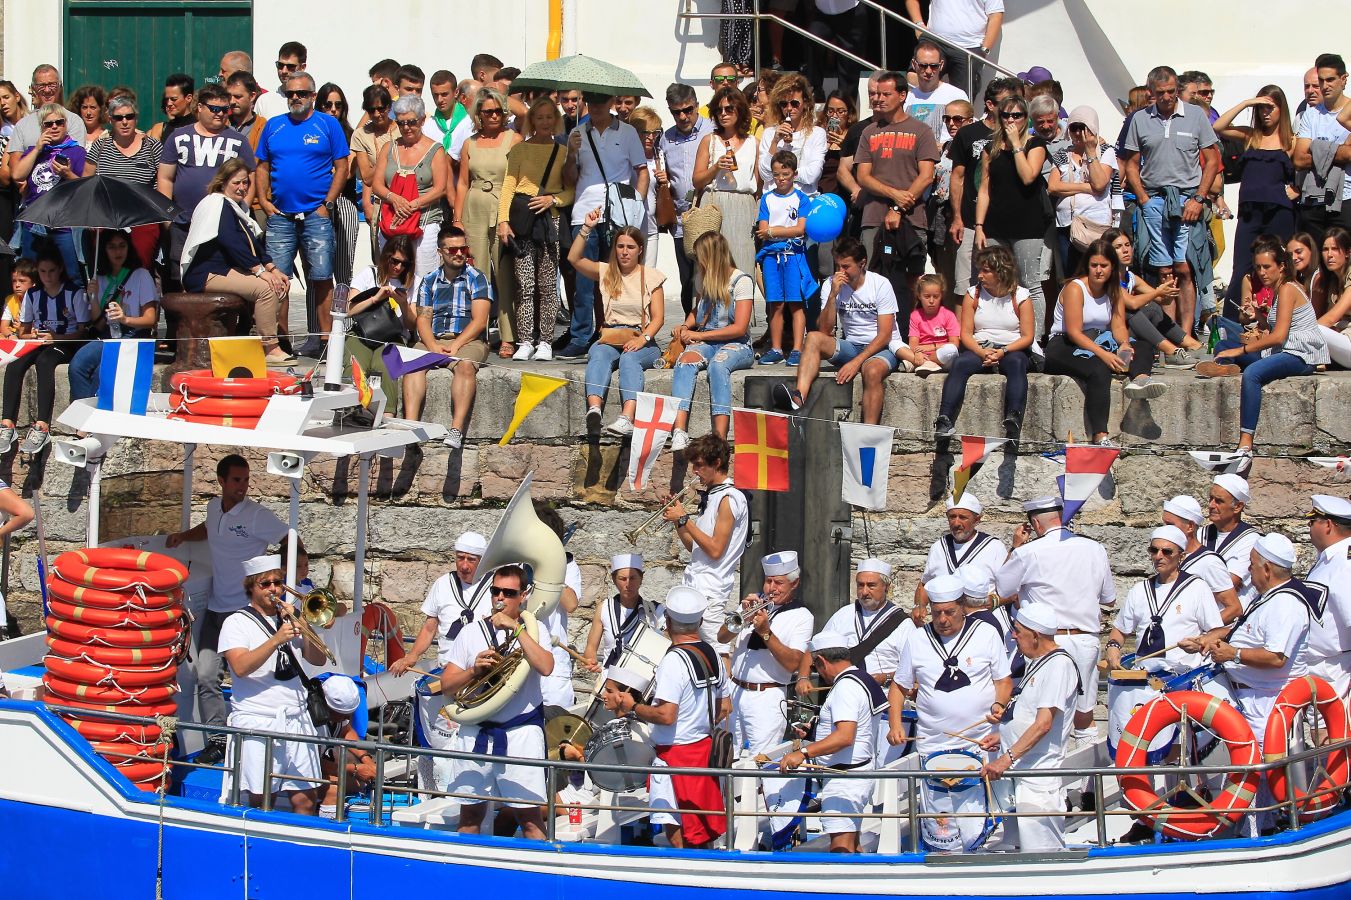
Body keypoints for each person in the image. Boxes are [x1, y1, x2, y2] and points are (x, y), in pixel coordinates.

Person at [1180, 533, 1319, 834]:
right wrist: (1210, 638)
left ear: (1267, 569)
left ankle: (1257, 829)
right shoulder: (1269, 598)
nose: (1249, 571)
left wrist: (1235, 653)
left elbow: (1276, 657)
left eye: (1252, 565)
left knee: (1255, 766)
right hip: (1248, 695)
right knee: (1251, 764)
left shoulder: (1286, 604)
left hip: (1265, 700)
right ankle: (1258, 825)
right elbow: (1246, 627)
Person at [166, 456, 297, 765]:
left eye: (245, 480)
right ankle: (219, 739)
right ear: (222, 481)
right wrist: (184, 536)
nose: (243, 486)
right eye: (237, 480)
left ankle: (258, 740)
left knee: (249, 674)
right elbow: (211, 528)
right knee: (207, 675)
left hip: (245, 611)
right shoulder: (214, 508)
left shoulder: (256, 515)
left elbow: (290, 539)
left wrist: (280, 581)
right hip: (215, 608)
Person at [995, 495, 1113, 807]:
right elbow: (1108, 597)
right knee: (1084, 718)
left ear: (1034, 524)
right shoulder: (1095, 548)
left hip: (1046, 642)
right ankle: (1091, 791)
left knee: (1043, 716)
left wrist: (1016, 547)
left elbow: (1003, 589)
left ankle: (1052, 792)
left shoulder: (1030, 551)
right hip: (1085, 638)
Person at [891, 574, 1011, 852]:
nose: (943, 619)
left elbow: (1003, 681)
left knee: (978, 819)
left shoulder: (985, 633)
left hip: (980, 742)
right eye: (937, 613)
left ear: (963, 607)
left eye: (949, 612)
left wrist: (999, 705)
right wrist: (895, 723)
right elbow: (899, 685)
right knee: (940, 824)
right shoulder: (918, 639)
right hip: (933, 744)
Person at [440, 564, 554, 839]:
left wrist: (516, 629)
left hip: (520, 735)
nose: (500, 598)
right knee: (469, 816)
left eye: (509, 592)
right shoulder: (471, 632)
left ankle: (539, 876)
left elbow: (546, 666)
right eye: (495, 591)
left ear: (523, 595)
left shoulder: (535, 631)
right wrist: (474, 671)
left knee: (530, 819)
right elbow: (446, 685)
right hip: (476, 732)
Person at [1197, 235, 1328, 461]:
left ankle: (1246, 442)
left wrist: (1241, 351)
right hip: (1284, 351)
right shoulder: (1278, 289)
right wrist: (1258, 316)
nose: (1262, 272)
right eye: (1258, 267)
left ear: (1282, 266)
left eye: (1267, 267)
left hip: (1301, 355)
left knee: (1253, 373)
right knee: (1222, 345)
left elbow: (1278, 336)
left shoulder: (1288, 289)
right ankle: (1226, 366)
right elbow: (1274, 327)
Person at [217, 554, 328, 814]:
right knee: (262, 796)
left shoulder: (289, 618)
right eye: (264, 584)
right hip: (259, 719)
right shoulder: (236, 622)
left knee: (306, 797)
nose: (273, 589)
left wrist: (304, 626)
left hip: (296, 719)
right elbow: (241, 667)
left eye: (277, 583)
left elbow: (319, 659)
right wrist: (276, 640)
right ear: (251, 588)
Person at [620, 586, 729, 849]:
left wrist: (632, 706)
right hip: (704, 751)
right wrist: (698, 721)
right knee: (701, 830)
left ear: (667, 620)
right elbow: (725, 706)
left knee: (677, 831)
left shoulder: (673, 661)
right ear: (700, 621)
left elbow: (666, 715)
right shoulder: (713, 653)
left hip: (675, 757)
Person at [1120, 65, 1220, 342]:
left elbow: (1212, 160)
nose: (1167, 97)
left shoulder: (1196, 116)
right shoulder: (1140, 119)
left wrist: (1199, 198)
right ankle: (1170, 336)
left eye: (1172, 91)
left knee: (1186, 267)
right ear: (1151, 92)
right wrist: (1143, 198)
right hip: (1154, 198)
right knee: (1163, 270)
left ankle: (1186, 334)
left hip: (1188, 198)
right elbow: (1130, 162)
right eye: (1161, 92)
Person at [256, 71, 350, 359]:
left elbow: (342, 166)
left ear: (312, 96)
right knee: (278, 280)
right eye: (289, 94)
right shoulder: (273, 126)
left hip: (315, 214)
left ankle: (326, 340)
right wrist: (263, 200)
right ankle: (281, 341)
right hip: (281, 215)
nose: (294, 98)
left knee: (321, 277)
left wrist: (328, 203)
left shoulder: (328, 124)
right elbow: (261, 166)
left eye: (300, 93)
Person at [978, 603, 1079, 851]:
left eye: (1018, 631)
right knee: (1012, 845)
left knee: (1041, 849)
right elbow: (1027, 713)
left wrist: (1006, 758)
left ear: (1035, 635)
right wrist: (1003, 737)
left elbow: (1044, 723)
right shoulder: (1036, 661)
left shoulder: (1058, 665)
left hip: (1037, 774)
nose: (1013, 635)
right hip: (1019, 769)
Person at [558, 92, 649, 358]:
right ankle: (581, 336)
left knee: (617, 278)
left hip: (618, 214)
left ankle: (617, 331)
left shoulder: (629, 131)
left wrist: (637, 204)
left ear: (610, 103)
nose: (596, 107)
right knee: (584, 281)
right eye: (592, 102)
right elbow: (569, 178)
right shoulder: (577, 132)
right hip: (585, 211)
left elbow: (641, 171)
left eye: (601, 102)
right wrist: (571, 153)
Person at [780, 632, 885, 854]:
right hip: (857, 773)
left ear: (821, 661)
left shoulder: (845, 687)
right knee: (853, 845)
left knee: (841, 849)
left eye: (816, 667)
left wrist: (803, 753)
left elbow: (845, 736)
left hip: (844, 780)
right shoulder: (862, 678)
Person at [179, 159, 292, 364]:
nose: (242, 188)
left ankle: (253, 336)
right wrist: (260, 272)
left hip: (225, 269)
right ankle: (270, 347)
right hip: (206, 273)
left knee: (279, 282)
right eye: (236, 183)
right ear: (223, 183)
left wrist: (272, 268)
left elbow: (251, 243)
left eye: (245, 183)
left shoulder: (234, 207)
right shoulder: (217, 204)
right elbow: (230, 240)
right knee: (267, 289)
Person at [572, 208, 665, 436]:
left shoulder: (651, 276)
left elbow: (659, 318)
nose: (625, 252)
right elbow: (574, 259)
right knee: (599, 354)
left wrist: (642, 340)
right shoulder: (607, 271)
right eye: (620, 246)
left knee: (630, 359)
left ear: (640, 250)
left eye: (630, 247)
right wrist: (586, 229)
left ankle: (627, 417)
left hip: (641, 338)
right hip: (611, 334)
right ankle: (594, 408)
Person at [1043, 241, 1144, 444]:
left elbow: (1118, 326)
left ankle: (1141, 379)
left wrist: (1124, 344)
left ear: (1112, 267)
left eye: (1104, 266)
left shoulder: (1114, 290)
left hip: (1096, 340)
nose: (1098, 271)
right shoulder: (1075, 288)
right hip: (1064, 344)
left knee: (1142, 346)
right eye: (1094, 265)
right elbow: (1074, 332)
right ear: (1087, 266)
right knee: (1099, 368)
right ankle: (1100, 434)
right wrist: (1104, 354)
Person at [156, 83, 256, 290]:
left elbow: (250, 178)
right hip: (183, 222)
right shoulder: (179, 137)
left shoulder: (238, 141)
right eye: (214, 109)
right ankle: (182, 323)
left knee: (223, 278)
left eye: (224, 109)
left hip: (222, 225)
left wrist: (242, 210)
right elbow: (165, 178)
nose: (220, 114)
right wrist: (168, 216)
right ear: (199, 107)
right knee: (180, 279)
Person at [816, 559, 915, 765]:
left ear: (886, 587)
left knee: (883, 767)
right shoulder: (843, 616)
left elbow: (914, 672)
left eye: (871, 585)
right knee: (849, 761)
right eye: (860, 585)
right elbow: (818, 651)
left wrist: (885, 677)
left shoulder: (904, 625)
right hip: (848, 703)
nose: (864, 591)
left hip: (886, 702)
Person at [933, 245, 1036, 441]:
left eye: (985, 271)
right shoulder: (973, 294)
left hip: (1011, 348)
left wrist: (1002, 352)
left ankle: (1013, 416)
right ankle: (944, 418)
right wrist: (982, 353)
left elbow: (1027, 336)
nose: (980, 275)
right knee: (960, 363)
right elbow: (966, 333)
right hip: (980, 347)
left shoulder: (1021, 296)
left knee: (1017, 364)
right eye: (979, 270)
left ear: (1001, 271)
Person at [1213, 87, 1297, 321]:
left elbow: (1303, 170)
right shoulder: (1251, 136)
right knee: (1242, 267)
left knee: (1279, 266)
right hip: (1250, 214)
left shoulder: (1291, 140)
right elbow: (1218, 126)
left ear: (1282, 109)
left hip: (1279, 212)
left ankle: (1279, 319)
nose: (1265, 113)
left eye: (1270, 108)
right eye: (1261, 109)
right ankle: (1231, 322)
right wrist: (1248, 102)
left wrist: (1296, 191)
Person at [499, 96, 573, 360]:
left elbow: (570, 191)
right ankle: (525, 340)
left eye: (549, 117)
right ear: (532, 120)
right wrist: (503, 221)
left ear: (555, 121)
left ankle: (545, 341)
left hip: (550, 220)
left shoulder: (563, 152)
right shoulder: (519, 150)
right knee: (524, 282)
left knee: (548, 284)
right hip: (522, 220)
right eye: (539, 117)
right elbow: (508, 185)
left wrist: (552, 199)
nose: (544, 122)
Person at [719, 551, 814, 753]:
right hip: (734, 690)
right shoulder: (752, 604)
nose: (771, 588)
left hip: (767, 696)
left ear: (794, 583)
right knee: (725, 754)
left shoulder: (802, 616)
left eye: (778, 583)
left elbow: (792, 663)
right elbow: (721, 637)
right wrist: (743, 617)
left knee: (760, 760)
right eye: (768, 581)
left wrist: (765, 632)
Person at [668, 232, 756, 447]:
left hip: (737, 344)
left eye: (700, 257)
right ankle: (679, 430)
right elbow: (698, 310)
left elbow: (740, 327)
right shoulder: (702, 278)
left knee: (718, 366)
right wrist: (686, 325)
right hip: (708, 341)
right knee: (685, 360)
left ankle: (720, 437)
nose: (698, 262)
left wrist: (700, 335)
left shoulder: (741, 281)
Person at [663, 435, 749, 650]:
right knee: (684, 645)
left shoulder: (729, 498)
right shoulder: (712, 497)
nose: (694, 471)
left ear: (717, 463)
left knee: (716, 650)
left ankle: (723, 684)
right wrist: (677, 522)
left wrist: (685, 519)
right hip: (695, 583)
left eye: (699, 465)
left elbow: (715, 550)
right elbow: (695, 548)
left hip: (711, 589)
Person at [1104, 525, 1224, 677]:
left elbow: (1219, 631)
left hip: (1181, 677)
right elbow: (1120, 630)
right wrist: (1113, 646)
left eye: (1167, 552)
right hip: (1143, 676)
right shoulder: (1140, 589)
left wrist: (1202, 641)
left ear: (1181, 556)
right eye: (1154, 550)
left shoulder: (1197, 587)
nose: (1158, 556)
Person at [974, 95, 1050, 334]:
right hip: (997, 224)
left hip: (1027, 225)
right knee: (996, 280)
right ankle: (1000, 332)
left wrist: (1017, 143)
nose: (1010, 120)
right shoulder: (990, 148)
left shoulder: (1035, 145)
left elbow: (1028, 176)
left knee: (1029, 283)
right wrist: (978, 226)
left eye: (1017, 115)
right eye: (1006, 115)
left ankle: (1035, 339)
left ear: (1026, 118)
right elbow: (984, 189)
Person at [0, 252, 89, 454]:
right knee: (15, 363)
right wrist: (28, 335)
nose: (47, 276)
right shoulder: (33, 295)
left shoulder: (74, 293)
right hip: (39, 341)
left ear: (59, 270)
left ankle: (42, 425)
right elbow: (22, 331)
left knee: (45, 361)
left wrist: (57, 338)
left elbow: (82, 332)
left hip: (65, 343)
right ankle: (7, 424)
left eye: (51, 271)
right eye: (42, 272)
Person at [454, 87, 520, 356]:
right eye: (487, 111)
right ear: (478, 114)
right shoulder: (470, 143)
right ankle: (478, 331)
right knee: (476, 273)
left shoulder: (513, 139)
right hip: (475, 207)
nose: (493, 116)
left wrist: (508, 215)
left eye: (497, 110)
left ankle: (508, 334)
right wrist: (457, 219)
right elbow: (461, 182)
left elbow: (517, 178)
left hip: (503, 206)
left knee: (504, 273)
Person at [413, 227, 490, 446]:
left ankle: (456, 430)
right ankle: (410, 428)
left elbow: (479, 321)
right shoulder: (428, 281)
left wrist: (456, 345)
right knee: (413, 366)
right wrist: (432, 345)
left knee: (465, 366)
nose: (459, 253)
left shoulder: (477, 278)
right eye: (453, 249)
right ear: (440, 252)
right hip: (435, 337)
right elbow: (423, 319)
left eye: (463, 248)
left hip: (468, 339)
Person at [67, 231, 159, 401]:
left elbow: (150, 319)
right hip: (108, 335)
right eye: (112, 247)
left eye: (122, 246)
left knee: (101, 373)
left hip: (133, 336)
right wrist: (93, 297)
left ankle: (92, 421)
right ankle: (83, 418)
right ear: (104, 250)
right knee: (77, 366)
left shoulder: (141, 275)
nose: (118, 252)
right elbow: (99, 324)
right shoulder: (100, 278)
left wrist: (125, 319)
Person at [372, 95, 449, 286]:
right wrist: (395, 199)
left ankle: (422, 315)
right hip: (392, 222)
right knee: (390, 277)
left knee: (423, 278)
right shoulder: (389, 148)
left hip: (424, 221)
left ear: (422, 120)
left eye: (411, 122)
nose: (406, 127)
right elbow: (377, 185)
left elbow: (441, 189)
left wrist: (412, 205)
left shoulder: (435, 150)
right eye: (401, 123)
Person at [1104, 228, 1202, 369]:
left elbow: (1161, 301)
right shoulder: (1108, 278)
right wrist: (1157, 292)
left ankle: (1194, 345)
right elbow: (1131, 303)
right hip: (1114, 335)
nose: (1125, 250)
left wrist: (1167, 294)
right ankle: (1171, 352)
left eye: (1127, 245)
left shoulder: (1130, 277)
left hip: (1128, 331)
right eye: (1118, 247)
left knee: (1153, 308)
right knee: (1133, 311)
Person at [692, 85, 761, 283]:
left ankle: (742, 313)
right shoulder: (709, 141)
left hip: (743, 205)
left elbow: (757, 183)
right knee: (710, 266)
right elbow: (697, 180)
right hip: (714, 203)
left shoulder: (753, 143)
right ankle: (709, 312)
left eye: (729, 109)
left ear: (740, 110)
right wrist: (715, 167)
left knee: (742, 263)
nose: (723, 114)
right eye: (719, 110)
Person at [85, 96, 163, 268]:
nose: (125, 122)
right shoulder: (101, 146)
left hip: (143, 219)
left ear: (136, 118)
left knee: (140, 270)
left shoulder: (152, 147)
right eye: (119, 118)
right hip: (106, 218)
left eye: (129, 116)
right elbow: (87, 182)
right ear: (111, 120)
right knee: (107, 271)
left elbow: (164, 182)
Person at [344, 235, 418, 415]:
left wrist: (403, 304)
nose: (398, 267)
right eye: (395, 261)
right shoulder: (369, 274)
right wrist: (375, 298)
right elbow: (348, 309)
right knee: (356, 364)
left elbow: (412, 325)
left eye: (404, 264)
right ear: (386, 256)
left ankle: (387, 414)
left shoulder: (414, 282)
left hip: (393, 335)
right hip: (363, 332)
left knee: (385, 365)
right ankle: (349, 410)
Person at [12, 104, 88, 279]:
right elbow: (17, 174)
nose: (54, 127)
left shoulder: (77, 151)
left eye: (59, 122)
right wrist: (38, 148)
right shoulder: (34, 151)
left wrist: (68, 174)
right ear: (42, 127)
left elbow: (86, 187)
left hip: (64, 225)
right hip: (34, 223)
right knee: (31, 276)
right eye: (48, 124)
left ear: (65, 124)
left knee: (72, 276)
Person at [757, 150, 816, 365]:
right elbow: (762, 229)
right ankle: (776, 347)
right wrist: (779, 231)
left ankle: (798, 349)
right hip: (772, 257)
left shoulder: (801, 198)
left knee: (796, 303)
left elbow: (800, 229)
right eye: (776, 174)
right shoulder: (767, 198)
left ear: (794, 174)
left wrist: (774, 231)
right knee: (775, 304)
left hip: (793, 255)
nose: (781, 179)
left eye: (785, 174)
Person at [662, 83, 715, 315]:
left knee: (708, 274)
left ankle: (711, 324)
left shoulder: (712, 131)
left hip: (706, 213)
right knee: (686, 278)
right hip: (681, 217)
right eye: (676, 112)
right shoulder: (665, 139)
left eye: (688, 110)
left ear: (697, 105)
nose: (683, 116)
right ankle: (689, 323)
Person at [914, 493, 1007, 619]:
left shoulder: (994, 547)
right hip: (945, 624)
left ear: (977, 520)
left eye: (963, 517)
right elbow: (925, 584)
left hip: (981, 622)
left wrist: (994, 601)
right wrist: (919, 607)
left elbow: (1012, 591)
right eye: (952, 517)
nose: (956, 523)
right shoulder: (939, 547)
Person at [1047, 105, 1115, 278]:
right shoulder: (1063, 154)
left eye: (1082, 127)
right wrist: (1087, 187)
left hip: (1095, 224)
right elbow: (1053, 187)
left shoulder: (1106, 151)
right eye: (1073, 128)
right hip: (1066, 225)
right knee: (1072, 276)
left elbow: (1099, 184)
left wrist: (1090, 151)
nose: (1078, 133)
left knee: (1096, 275)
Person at [1295, 54, 1351, 243]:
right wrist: (1337, 151)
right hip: (1314, 199)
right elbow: (1300, 159)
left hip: (1346, 199)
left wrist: (1317, 149)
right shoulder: (1311, 115)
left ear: (1343, 80)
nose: (1325, 86)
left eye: (1330, 80)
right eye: (1321, 80)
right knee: (1316, 263)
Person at [1160, 494, 1242, 623]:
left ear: (1190, 527)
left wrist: (1201, 632)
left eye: (1170, 525)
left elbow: (1234, 608)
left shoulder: (1209, 562)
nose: (1165, 530)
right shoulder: (1167, 557)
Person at [1303, 496, 1351, 700]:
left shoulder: (1345, 563)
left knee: (1333, 732)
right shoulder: (1328, 559)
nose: (1309, 527)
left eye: (1312, 521)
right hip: (1319, 669)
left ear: (1328, 525)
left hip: (1335, 672)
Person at [315, 83, 361, 294]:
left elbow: (347, 172)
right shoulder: (310, 133)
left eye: (338, 105)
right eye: (327, 104)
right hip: (315, 203)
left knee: (343, 271)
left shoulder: (350, 134)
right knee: (316, 271)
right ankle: (316, 325)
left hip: (343, 203)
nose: (333, 109)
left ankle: (344, 322)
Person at [583, 554, 665, 670]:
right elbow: (590, 649)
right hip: (610, 681)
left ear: (641, 579)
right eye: (622, 579)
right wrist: (590, 662)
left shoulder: (656, 611)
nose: (628, 584)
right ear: (614, 580)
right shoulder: (604, 608)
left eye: (633, 578)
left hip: (642, 680)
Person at [906, 0, 1003, 97]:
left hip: (970, 47)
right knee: (914, 77)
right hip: (935, 39)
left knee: (963, 97)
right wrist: (918, 25)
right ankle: (923, 110)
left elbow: (996, 15)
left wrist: (984, 50)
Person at [316, 675, 376, 819]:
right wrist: (355, 769)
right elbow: (313, 762)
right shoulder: (311, 722)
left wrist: (366, 760)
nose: (347, 718)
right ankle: (329, 830)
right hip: (298, 773)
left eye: (349, 714)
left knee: (357, 784)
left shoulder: (338, 717)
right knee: (334, 789)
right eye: (342, 715)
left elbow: (347, 731)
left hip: (317, 768)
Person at [1198, 473, 1261, 610]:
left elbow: (1228, 585)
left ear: (1237, 506)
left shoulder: (1250, 540)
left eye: (1219, 501)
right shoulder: (1200, 534)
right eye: (1211, 499)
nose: (1211, 505)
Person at [757, 73, 827, 196]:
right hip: (774, 201)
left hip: (804, 201)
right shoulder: (769, 133)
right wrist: (775, 142)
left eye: (794, 103)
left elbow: (813, 175)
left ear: (805, 103)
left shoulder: (816, 133)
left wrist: (779, 174)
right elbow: (765, 175)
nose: (789, 108)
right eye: (784, 104)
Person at [351, 85, 395, 257]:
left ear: (389, 107)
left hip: (404, 199)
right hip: (380, 204)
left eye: (381, 108)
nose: (376, 114)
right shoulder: (361, 135)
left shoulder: (402, 130)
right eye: (371, 110)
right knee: (382, 259)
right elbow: (367, 177)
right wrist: (385, 156)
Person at [628, 106, 664, 262]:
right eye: (646, 132)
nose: (651, 137)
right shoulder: (625, 156)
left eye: (655, 133)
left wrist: (665, 182)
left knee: (648, 278)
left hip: (651, 227)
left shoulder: (659, 155)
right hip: (629, 227)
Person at [907, 273, 959, 372]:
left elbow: (955, 343)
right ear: (919, 296)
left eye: (936, 296)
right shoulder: (915, 315)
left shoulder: (949, 315)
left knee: (951, 350)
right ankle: (924, 363)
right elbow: (913, 344)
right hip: (921, 355)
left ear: (941, 295)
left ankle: (927, 363)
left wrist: (930, 347)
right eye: (927, 296)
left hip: (943, 357)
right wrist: (917, 353)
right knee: (895, 344)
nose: (931, 301)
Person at [1316, 227, 1351, 367]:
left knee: (1316, 330)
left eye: (1335, 249)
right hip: (1343, 340)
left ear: (1348, 252)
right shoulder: (1333, 281)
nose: (1329, 254)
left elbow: (1331, 318)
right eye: (1325, 249)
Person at [255, 41, 307, 120]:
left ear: (302, 67)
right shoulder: (264, 101)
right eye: (280, 65)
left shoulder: (311, 101)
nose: (284, 71)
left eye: (290, 66)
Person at [146, 73, 196, 144]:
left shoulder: (200, 127)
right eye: (167, 99)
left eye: (174, 99)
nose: (169, 103)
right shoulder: (162, 129)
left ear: (188, 98)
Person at [1, 260, 35, 339]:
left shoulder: (40, 299)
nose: (17, 285)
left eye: (22, 281)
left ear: (34, 283)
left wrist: (23, 328)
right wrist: (11, 335)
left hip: (32, 336)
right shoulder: (10, 300)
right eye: (14, 281)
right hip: (15, 335)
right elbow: (3, 327)